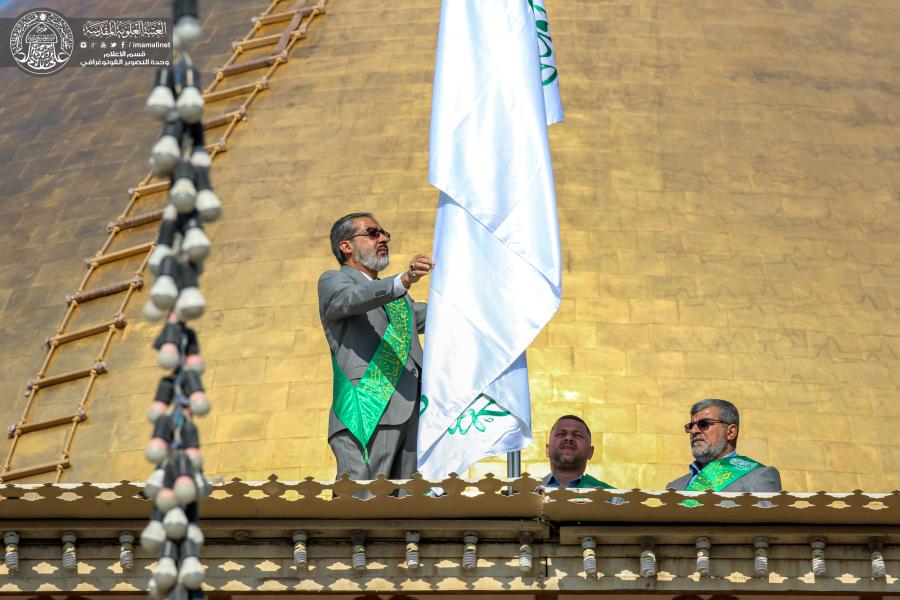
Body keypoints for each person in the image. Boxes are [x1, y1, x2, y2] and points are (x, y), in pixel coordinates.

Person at [317, 212, 435, 480]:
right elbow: (350, 299)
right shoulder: (334, 282)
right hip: (369, 405)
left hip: (413, 412)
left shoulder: (399, 301)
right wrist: (402, 280)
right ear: (346, 246)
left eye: (384, 233)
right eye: (372, 233)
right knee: (363, 504)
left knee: (409, 505)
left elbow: (441, 318)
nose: (382, 238)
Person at [667, 398, 781, 492]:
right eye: (691, 426)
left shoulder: (758, 477)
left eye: (704, 424)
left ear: (731, 432)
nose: (694, 431)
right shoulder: (675, 487)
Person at [541, 415, 613, 489]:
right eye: (561, 434)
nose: (569, 438)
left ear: (590, 452)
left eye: (577, 435)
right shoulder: (530, 492)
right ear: (548, 449)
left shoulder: (613, 497)